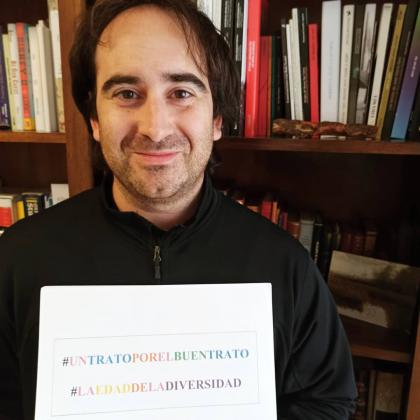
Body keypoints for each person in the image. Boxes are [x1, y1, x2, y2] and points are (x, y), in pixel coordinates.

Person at [0, 0, 357, 418]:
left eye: (182, 93)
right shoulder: (17, 259)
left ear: (217, 118)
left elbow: (327, 401)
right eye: (127, 94)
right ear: (94, 119)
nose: (156, 128)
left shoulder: (286, 265)